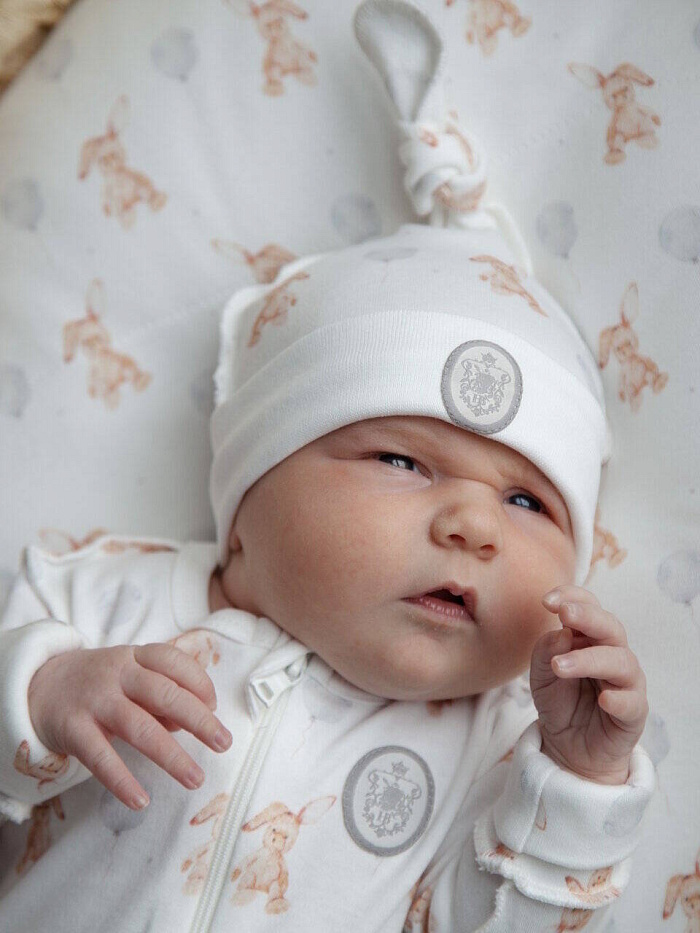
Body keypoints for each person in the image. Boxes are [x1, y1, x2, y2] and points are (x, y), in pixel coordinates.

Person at [0, 1, 655, 930]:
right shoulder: (108, 605)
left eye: (527, 502)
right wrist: (43, 694)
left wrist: (579, 781)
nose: (473, 525)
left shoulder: (500, 756)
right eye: (403, 459)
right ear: (247, 497)